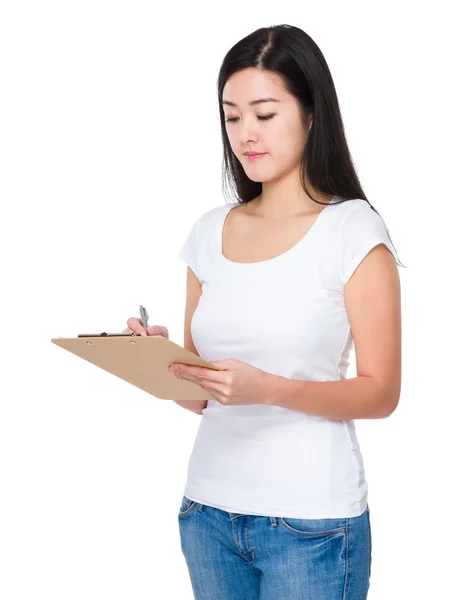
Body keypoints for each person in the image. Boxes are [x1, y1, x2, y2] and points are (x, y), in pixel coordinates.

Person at [127, 23, 404, 600]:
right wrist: (160, 363)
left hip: (312, 525)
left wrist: (268, 387)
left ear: (310, 113)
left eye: (264, 113)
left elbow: (381, 393)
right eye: (232, 117)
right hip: (208, 513)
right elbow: (202, 395)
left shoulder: (354, 231)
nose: (246, 134)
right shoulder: (208, 234)